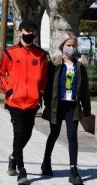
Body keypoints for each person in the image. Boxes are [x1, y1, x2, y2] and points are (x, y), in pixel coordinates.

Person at [0, 19, 48, 184]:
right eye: (26, 30)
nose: (29, 33)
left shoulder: (41, 55)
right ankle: (22, 169)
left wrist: (39, 94)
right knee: (18, 133)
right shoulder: (9, 53)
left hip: (32, 102)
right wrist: (9, 91)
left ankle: (13, 156)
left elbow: (44, 78)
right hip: (15, 102)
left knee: (28, 133)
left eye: (32, 30)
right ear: (19, 32)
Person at [41, 32, 91, 185]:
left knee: (72, 136)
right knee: (54, 133)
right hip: (57, 105)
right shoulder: (54, 64)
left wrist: (87, 109)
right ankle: (46, 161)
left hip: (72, 106)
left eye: (73, 46)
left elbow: (84, 89)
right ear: (62, 45)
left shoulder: (79, 65)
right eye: (68, 45)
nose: (71, 48)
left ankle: (73, 170)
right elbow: (47, 86)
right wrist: (47, 104)